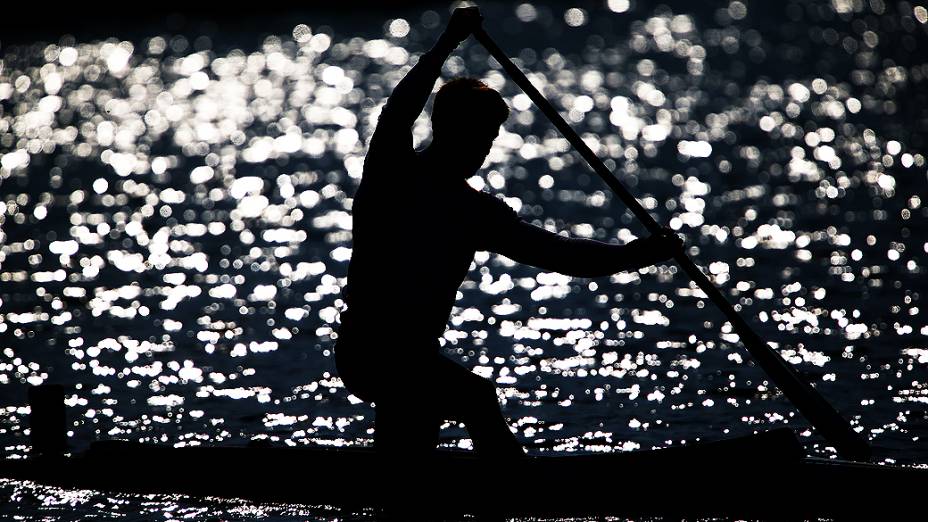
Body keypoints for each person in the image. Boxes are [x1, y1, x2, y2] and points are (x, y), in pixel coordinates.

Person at [335, 7, 683, 460]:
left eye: (490, 140)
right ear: (450, 131)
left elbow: (563, 255)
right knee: (477, 398)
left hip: (411, 360)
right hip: (371, 354)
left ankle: (397, 486)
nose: (483, 150)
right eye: (480, 137)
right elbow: (401, 107)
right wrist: (447, 42)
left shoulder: (474, 212)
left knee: (412, 437)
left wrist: (638, 254)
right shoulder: (393, 171)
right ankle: (511, 494)